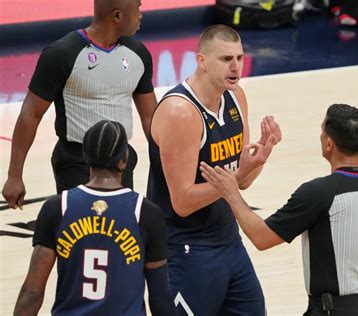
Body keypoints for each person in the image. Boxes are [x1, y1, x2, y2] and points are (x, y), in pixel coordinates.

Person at [200, 103, 358, 316]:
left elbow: (261, 238)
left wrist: (232, 194)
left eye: (322, 131)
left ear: (329, 144)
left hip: (335, 309)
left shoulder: (320, 193)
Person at [147, 24, 282, 315]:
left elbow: (242, 183)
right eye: (225, 59)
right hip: (185, 248)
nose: (235, 67)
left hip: (228, 240)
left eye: (239, 58)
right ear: (201, 61)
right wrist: (237, 175)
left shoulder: (236, 97)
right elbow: (182, 202)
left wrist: (256, 162)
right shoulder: (180, 113)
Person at [2, 0, 157, 209]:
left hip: (122, 159)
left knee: (117, 234)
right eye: (137, 8)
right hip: (76, 161)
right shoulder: (61, 54)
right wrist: (14, 175)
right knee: (81, 234)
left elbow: (150, 117)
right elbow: (31, 114)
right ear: (117, 16)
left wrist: (165, 162)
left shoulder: (139, 54)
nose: (141, 15)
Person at [14, 120, 176, 316]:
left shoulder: (57, 208)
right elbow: (160, 297)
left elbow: (32, 292)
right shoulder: (146, 213)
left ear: (85, 157)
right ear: (124, 159)